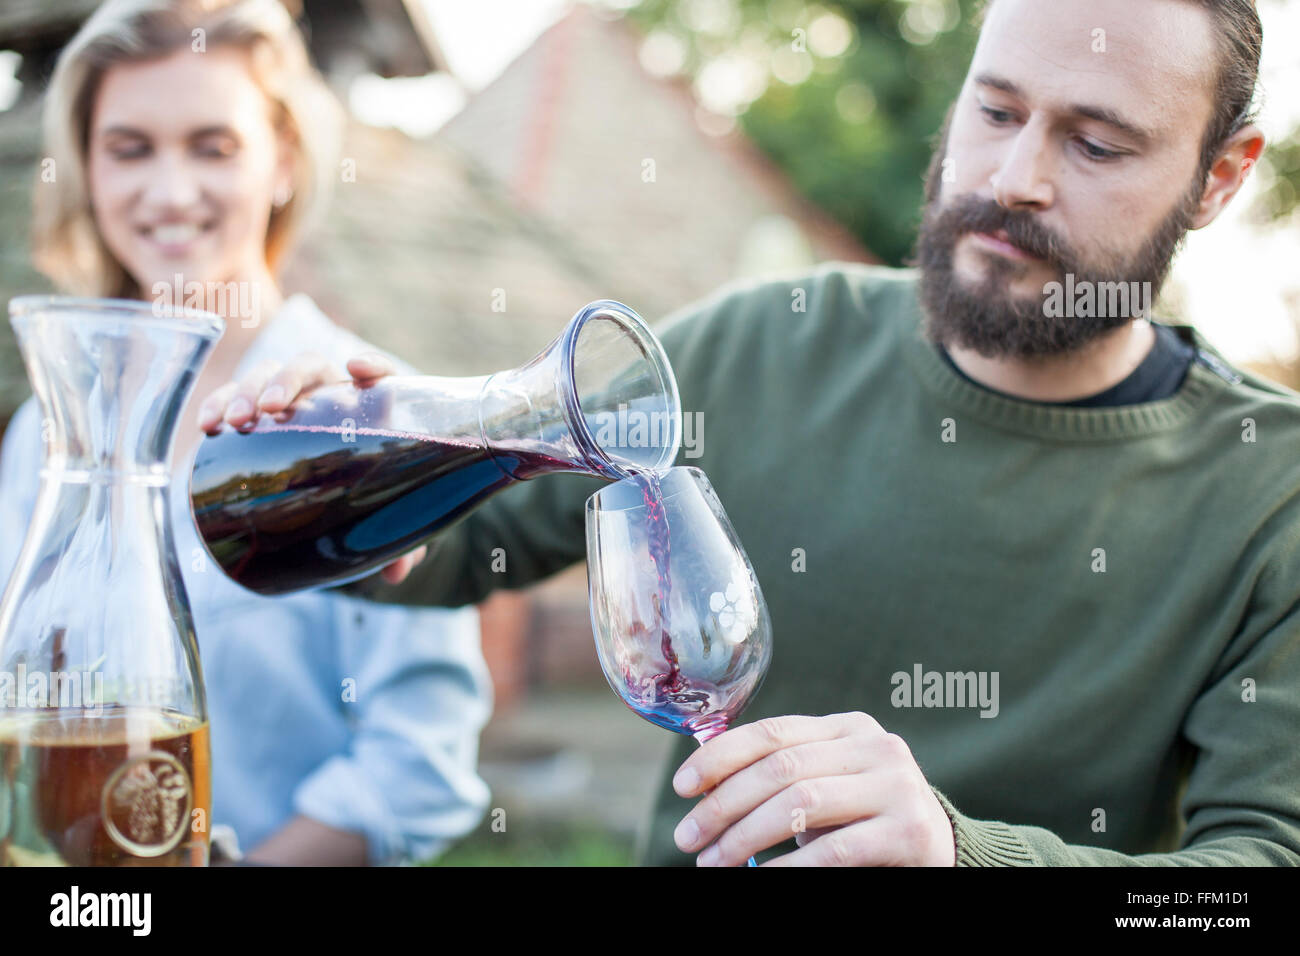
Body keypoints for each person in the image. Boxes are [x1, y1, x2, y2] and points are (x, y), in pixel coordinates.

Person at [204, 0, 1300, 865]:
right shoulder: (763, 341)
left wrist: (962, 854)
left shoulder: (1271, 491)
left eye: (1098, 144)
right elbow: (443, 559)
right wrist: (375, 458)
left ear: (1220, 176)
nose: (1015, 178)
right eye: (997, 110)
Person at [0, 0, 491, 866]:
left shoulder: (370, 413)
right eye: (130, 148)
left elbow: (417, 766)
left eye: (212, 146)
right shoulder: (47, 430)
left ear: (284, 162)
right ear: (86, 168)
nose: (171, 191)